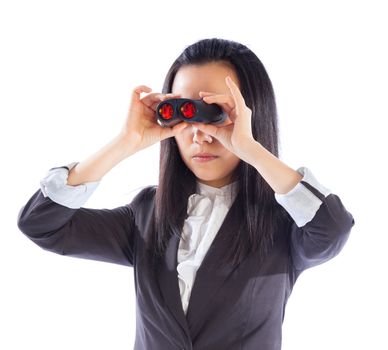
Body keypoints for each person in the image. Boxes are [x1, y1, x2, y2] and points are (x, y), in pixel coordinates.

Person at [17, 38, 355, 350]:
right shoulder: (147, 214)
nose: (200, 135)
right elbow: (41, 224)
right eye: (183, 112)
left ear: (249, 116)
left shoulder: (282, 224)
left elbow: (333, 228)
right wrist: (126, 142)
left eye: (215, 114)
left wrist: (250, 148)